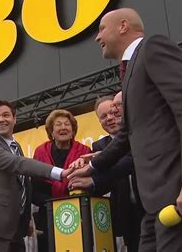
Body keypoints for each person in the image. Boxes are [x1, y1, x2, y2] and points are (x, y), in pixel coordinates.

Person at [68, 8, 182, 251]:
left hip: (180, 191)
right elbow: (126, 137)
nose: (97, 38)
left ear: (123, 26)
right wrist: (93, 167)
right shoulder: (130, 71)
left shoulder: (154, 47)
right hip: (155, 203)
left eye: (101, 29)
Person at [0, 100, 72, 252]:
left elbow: (23, 187)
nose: (1, 120)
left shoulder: (15, 146)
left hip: (15, 229)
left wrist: (25, 220)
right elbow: (19, 164)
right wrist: (60, 172)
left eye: (6, 115)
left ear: (14, 118)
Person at [69, 93, 144, 252]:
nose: (110, 118)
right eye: (103, 116)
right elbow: (103, 183)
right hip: (125, 214)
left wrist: (96, 165)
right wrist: (84, 179)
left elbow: (131, 161)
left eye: (114, 113)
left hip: (150, 205)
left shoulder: (141, 134)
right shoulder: (99, 146)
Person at [31, 109, 91, 250]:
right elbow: (34, 190)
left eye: (67, 124)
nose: (63, 127)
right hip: (47, 216)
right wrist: (55, 205)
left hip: (78, 216)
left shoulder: (85, 152)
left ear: (73, 130)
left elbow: (90, 184)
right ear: (51, 131)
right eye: (58, 124)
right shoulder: (40, 152)